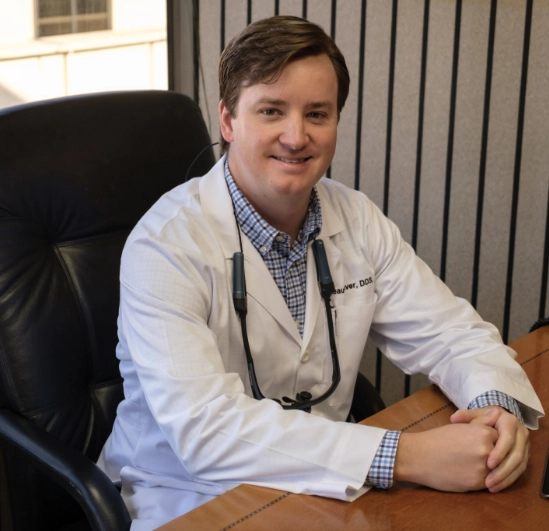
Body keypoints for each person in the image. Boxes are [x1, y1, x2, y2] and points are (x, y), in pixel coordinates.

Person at [98, 15, 544, 530]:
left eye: (317, 113)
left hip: (324, 487)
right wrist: (406, 456)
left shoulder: (356, 220)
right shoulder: (165, 245)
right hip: (187, 493)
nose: (296, 136)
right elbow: (205, 432)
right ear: (228, 120)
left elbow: (451, 334)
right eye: (271, 110)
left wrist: (495, 414)